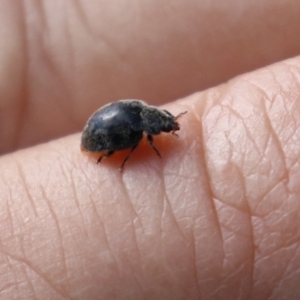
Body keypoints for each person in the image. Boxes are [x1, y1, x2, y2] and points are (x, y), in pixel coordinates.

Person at [1, 1, 300, 299]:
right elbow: (129, 144)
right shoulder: (140, 127)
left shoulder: (142, 113)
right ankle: (103, 153)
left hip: (106, 125)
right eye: (167, 125)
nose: (170, 128)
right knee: (128, 143)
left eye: (167, 124)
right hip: (98, 136)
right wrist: (112, 153)